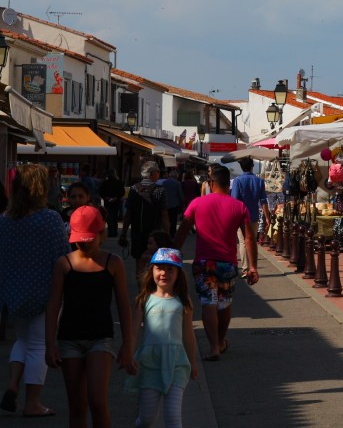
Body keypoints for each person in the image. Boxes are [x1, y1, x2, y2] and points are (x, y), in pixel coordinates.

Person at [45, 205, 135, 427]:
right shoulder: (63, 264)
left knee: (97, 401)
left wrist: (128, 345)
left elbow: (124, 305)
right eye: (79, 239)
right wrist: (49, 344)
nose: (84, 244)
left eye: (89, 239)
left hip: (100, 338)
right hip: (69, 339)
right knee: (76, 405)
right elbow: (53, 305)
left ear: (101, 234)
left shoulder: (113, 263)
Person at [0, 164, 68, 418]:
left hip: (13, 293)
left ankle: (12, 383)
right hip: (43, 292)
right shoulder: (50, 219)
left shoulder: (4, 220)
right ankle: (33, 402)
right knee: (39, 344)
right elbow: (63, 256)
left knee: (22, 340)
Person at [174, 164, 257, 361]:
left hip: (204, 262)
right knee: (224, 302)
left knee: (208, 302)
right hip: (227, 263)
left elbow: (183, 230)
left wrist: (172, 252)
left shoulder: (197, 203)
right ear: (229, 184)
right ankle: (221, 340)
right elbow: (249, 239)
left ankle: (213, 348)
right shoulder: (239, 206)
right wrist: (252, 266)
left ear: (211, 183)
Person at [129, 248, 197, 428]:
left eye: (170, 269)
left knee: (173, 418)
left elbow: (189, 335)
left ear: (178, 273)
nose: (164, 273)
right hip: (150, 364)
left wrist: (193, 363)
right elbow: (133, 331)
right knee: (147, 419)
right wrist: (128, 355)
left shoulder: (184, 301)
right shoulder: (144, 300)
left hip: (176, 364)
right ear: (151, 271)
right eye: (159, 268)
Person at [122, 161, 170, 262]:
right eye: (158, 171)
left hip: (137, 232)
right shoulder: (160, 190)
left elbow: (128, 213)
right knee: (154, 261)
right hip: (155, 233)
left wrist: (124, 233)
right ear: (153, 173)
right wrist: (167, 235)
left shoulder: (134, 189)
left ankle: (140, 278)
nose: (159, 173)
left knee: (139, 260)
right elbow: (164, 215)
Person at [230, 157, 266, 278]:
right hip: (254, 214)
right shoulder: (259, 181)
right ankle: (252, 266)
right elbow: (263, 200)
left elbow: (234, 199)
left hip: (241, 215)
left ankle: (245, 268)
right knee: (252, 240)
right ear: (252, 166)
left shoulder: (237, 181)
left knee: (243, 241)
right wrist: (268, 217)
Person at [98, 169, 125, 238]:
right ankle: (115, 232)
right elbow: (122, 192)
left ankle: (110, 232)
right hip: (116, 202)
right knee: (115, 217)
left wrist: (106, 197)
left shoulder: (105, 182)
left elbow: (101, 192)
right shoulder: (119, 182)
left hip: (107, 202)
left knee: (109, 217)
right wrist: (116, 198)